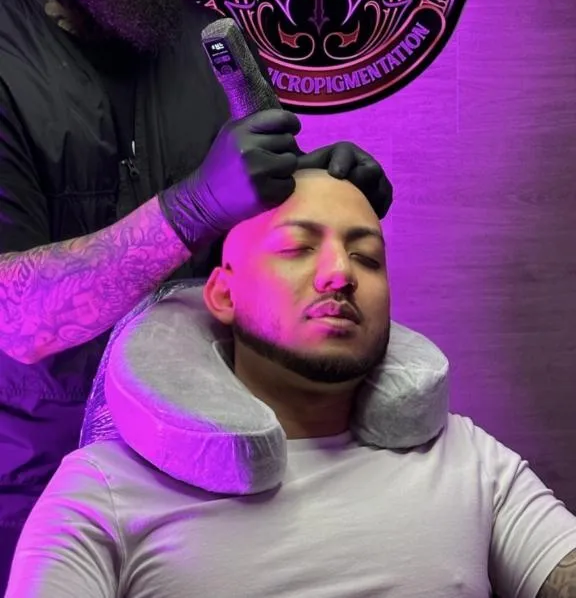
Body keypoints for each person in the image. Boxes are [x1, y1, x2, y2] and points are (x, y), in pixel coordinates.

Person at [0, 0, 391, 591]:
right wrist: (192, 207)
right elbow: (16, 320)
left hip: (203, 483)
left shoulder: (206, 45)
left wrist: (315, 194)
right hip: (27, 497)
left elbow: (254, 257)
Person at [5, 166, 576, 598]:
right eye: (299, 248)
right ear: (223, 293)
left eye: (367, 258)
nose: (340, 273)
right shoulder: (102, 490)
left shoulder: (468, 457)